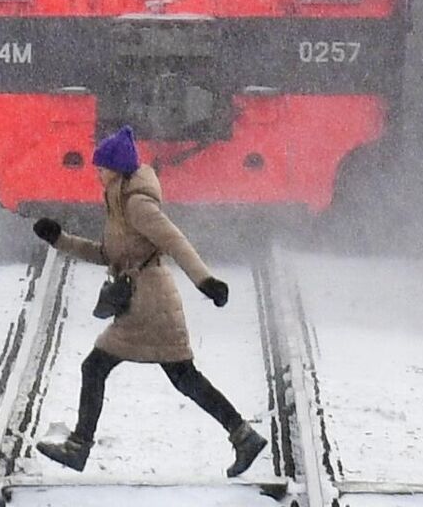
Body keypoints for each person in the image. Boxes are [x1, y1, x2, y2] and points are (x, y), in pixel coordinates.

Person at [30, 125, 268, 477]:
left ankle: (79, 447)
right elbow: (106, 254)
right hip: (144, 301)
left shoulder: (137, 205)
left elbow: (175, 241)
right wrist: (60, 239)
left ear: (116, 169)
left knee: (97, 368)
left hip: (150, 304)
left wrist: (206, 281)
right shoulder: (118, 201)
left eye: (101, 167)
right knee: (184, 378)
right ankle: (243, 436)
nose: (96, 173)